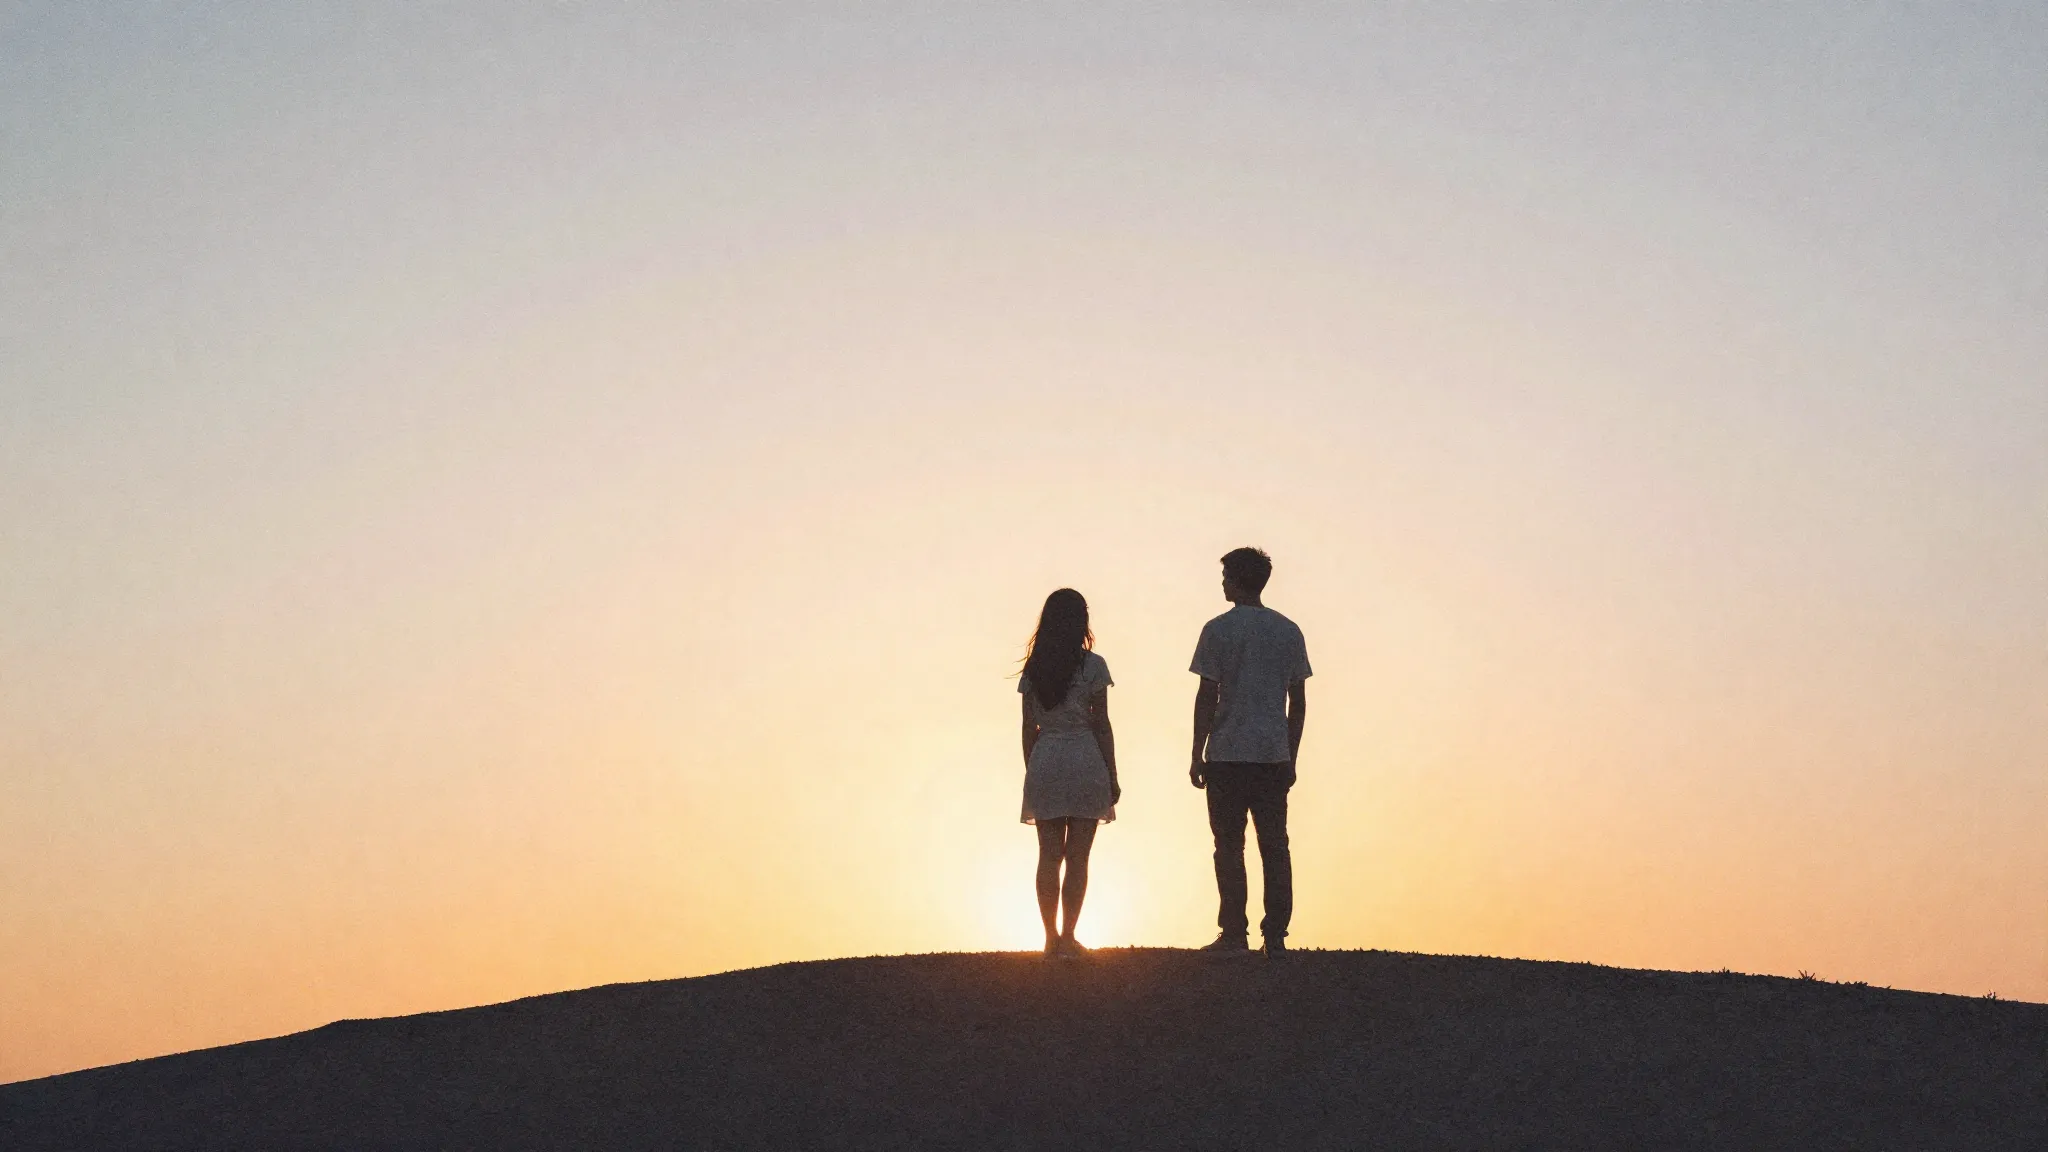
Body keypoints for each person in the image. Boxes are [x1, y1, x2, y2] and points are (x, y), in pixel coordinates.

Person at [1189, 547, 1311, 957]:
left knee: (1229, 846)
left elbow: (1207, 695)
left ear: (1239, 580)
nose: (1222, 582)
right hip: (1272, 754)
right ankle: (1275, 935)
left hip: (1227, 752)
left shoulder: (1218, 630)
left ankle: (1234, 934)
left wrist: (1196, 751)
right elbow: (1298, 700)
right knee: (1274, 845)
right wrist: (1292, 754)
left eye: (1226, 576)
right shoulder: (1288, 630)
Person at [1018, 588, 1120, 959]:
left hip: (1046, 757)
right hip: (1084, 758)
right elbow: (1101, 724)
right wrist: (1112, 773)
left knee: (1048, 854)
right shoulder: (1093, 666)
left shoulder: (1034, 669)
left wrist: (1033, 768)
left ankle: (1049, 938)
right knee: (1078, 856)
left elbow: (1028, 728)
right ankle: (1068, 937)